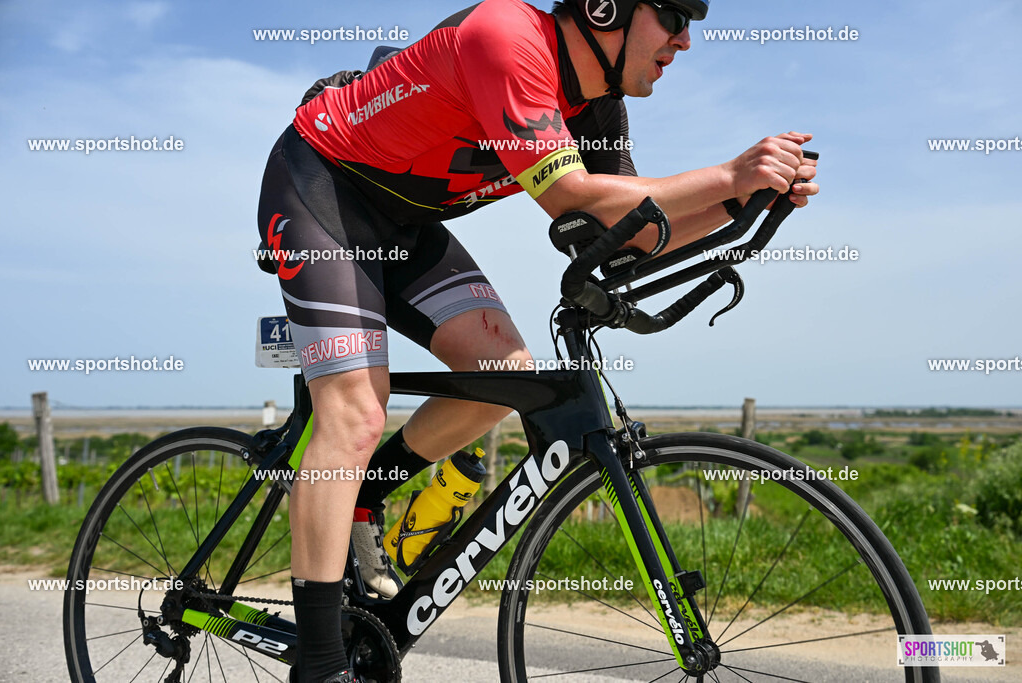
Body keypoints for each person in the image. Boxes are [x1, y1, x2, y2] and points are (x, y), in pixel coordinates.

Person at [256, 0, 818, 680]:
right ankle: (319, 664)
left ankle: (368, 490)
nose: (686, 40)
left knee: (503, 375)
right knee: (355, 409)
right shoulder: (507, 36)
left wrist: (746, 204)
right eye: (672, 14)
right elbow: (571, 197)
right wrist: (730, 175)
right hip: (321, 182)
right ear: (605, 7)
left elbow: (630, 234)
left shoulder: (599, 109)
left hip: (404, 221)